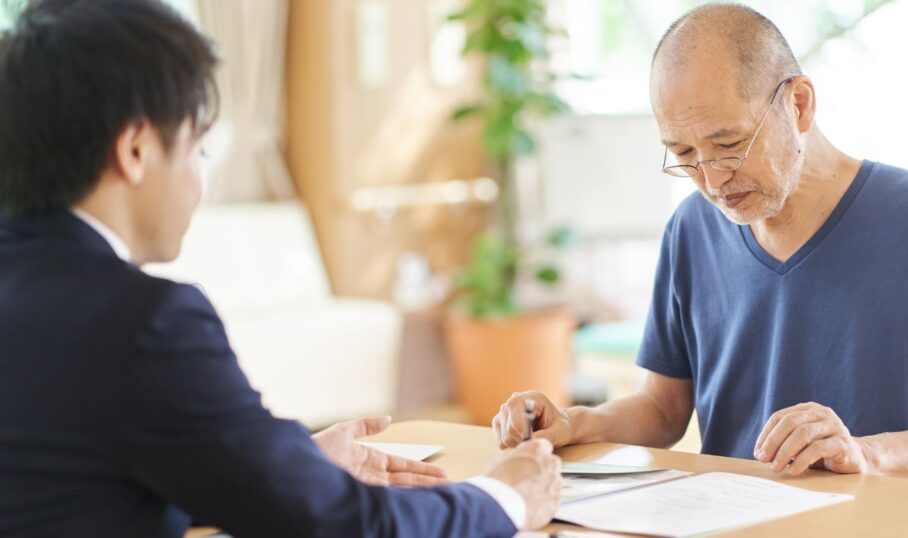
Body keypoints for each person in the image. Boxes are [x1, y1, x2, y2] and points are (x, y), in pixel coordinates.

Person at [0, 1, 561, 536]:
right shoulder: (144, 322)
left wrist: (285, 467)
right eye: (198, 148)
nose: (198, 178)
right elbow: (342, 526)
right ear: (137, 149)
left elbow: (74, 483)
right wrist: (505, 496)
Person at [493, 3, 908, 484]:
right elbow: (662, 409)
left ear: (800, 104)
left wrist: (866, 455)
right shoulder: (692, 229)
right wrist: (574, 422)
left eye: (729, 144)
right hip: (734, 519)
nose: (713, 179)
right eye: (683, 152)